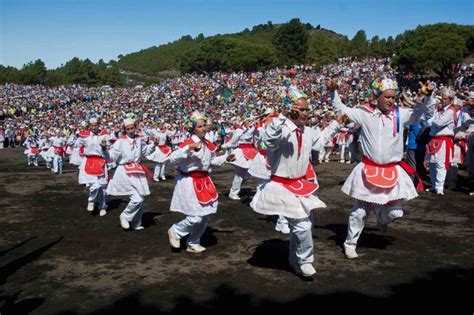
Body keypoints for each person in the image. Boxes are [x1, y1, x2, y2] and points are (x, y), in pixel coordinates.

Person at [329, 75, 435, 259]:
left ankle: (381, 216)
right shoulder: (364, 113)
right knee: (359, 211)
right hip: (368, 170)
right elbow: (341, 109)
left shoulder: (401, 114)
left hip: (391, 170)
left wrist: (428, 97)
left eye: (393, 97)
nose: (391, 100)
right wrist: (333, 91)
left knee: (396, 212)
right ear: (377, 96)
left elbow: (425, 113)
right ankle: (350, 243)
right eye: (387, 96)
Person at [250, 97, 343, 277]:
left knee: (305, 224)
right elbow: (269, 140)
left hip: (300, 184)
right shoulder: (281, 129)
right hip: (282, 185)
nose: (304, 113)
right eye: (299, 109)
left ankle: (294, 260)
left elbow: (319, 141)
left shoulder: (307, 131)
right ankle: (305, 260)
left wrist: (336, 124)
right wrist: (282, 117)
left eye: (306, 109)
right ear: (290, 110)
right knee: (303, 226)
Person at [167, 112, 235, 253]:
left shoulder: (207, 144)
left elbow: (211, 162)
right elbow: (173, 159)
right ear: (193, 129)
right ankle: (176, 230)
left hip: (204, 181)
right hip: (189, 182)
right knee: (195, 217)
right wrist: (189, 148)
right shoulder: (187, 143)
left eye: (204, 125)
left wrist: (225, 158)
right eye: (200, 126)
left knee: (204, 216)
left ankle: (193, 242)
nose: (204, 128)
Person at [107, 118, 156, 230]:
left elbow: (145, 152)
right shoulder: (120, 141)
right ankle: (125, 215)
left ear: (135, 127)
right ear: (125, 130)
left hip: (137, 170)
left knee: (141, 199)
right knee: (137, 198)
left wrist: (153, 145)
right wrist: (104, 150)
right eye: (128, 129)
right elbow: (112, 156)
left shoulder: (140, 139)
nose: (130, 131)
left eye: (132, 128)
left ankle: (136, 223)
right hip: (124, 171)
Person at [424, 88, 458, 195]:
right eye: (442, 98)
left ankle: (439, 187)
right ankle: (434, 185)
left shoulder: (450, 111)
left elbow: (438, 123)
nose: (442, 100)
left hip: (443, 140)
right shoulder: (440, 110)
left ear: (450, 100)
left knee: (440, 164)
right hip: (434, 139)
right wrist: (434, 119)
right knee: (432, 163)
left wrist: (433, 121)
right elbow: (429, 121)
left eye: (445, 98)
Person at [222, 113, 259, 200]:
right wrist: (223, 146)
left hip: (251, 152)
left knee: (248, 174)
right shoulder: (239, 130)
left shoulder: (253, 129)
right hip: (241, 153)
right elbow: (232, 142)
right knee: (239, 174)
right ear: (244, 122)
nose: (250, 122)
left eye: (251, 121)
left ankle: (237, 189)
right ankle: (233, 192)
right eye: (248, 121)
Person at [77, 118, 109, 216]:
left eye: (96, 125)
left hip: (101, 161)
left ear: (98, 125)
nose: (94, 127)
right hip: (89, 161)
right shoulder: (84, 135)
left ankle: (102, 206)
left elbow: (109, 146)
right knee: (94, 186)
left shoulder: (104, 134)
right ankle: (91, 200)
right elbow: (75, 144)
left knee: (103, 187)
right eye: (92, 125)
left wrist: (104, 147)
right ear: (89, 126)